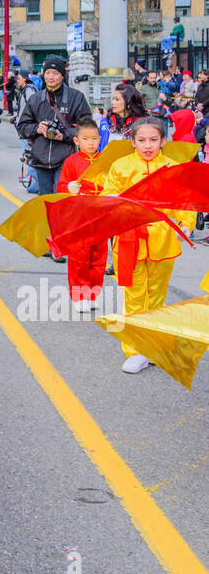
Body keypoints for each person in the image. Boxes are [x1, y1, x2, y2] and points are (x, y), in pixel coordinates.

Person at [102, 116, 197, 375]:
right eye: (141, 140)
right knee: (133, 298)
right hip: (129, 240)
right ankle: (134, 350)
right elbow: (106, 197)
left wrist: (186, 224)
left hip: (163, 242)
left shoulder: (173, 167)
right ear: (132, 142)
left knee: (157, 296)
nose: (147, 145)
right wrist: (109, 200)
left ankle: (153, 345)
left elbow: (186, 201)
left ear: (163, 141)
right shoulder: (120, 167)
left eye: (153, 139)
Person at [16, 56, 92, 195]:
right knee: (45, 200)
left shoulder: (76, 97)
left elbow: (87, 129)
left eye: (55, 73)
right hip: (41, 159)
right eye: (47, 73)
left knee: (60, 198)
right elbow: (22, 127)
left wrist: (63, 136)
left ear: (62, 75)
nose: (51, 77)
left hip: (65, 159)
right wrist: (37, 128)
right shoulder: (36, 98)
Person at [54, 116, 106, 312]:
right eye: (86, 139)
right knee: (79, 257)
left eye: (94, 138)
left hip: (101, 216)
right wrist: (69, 187)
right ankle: (78, 296)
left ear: (99, 139)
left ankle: (93, 294)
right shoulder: (71, 161)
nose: (90, 142)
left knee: (99, 257)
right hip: (79, 217)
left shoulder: (104, 161)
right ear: (77, 141)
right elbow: (61, 187)